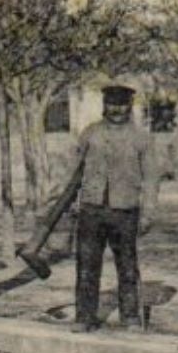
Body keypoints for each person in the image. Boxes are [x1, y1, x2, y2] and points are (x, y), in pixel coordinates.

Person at [70, 85, 159, 333]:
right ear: (104, 105)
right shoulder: (90, 134)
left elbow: (151, 178)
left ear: (129, 106)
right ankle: (84, 317)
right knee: (87, 265)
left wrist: (149, 211)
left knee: (127, 266)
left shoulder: (141, 138)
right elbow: (73, 172)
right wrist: (70, 203)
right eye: (111, 104)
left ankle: (130, 317)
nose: (116, 110)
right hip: (91, 209)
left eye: (121, 104)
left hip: (125, 210)